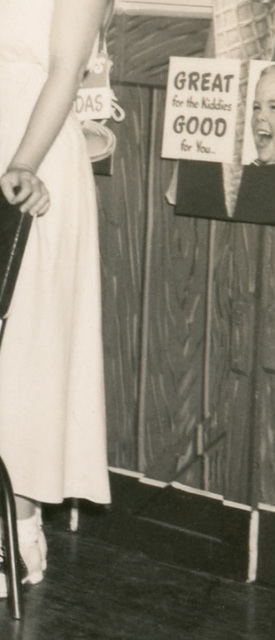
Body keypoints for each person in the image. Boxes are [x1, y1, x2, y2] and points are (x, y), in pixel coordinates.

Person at [0, 0, 113, 594]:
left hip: (34, 156)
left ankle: (17, 534)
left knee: (25, 351)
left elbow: (65, 71)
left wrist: (21, 161)